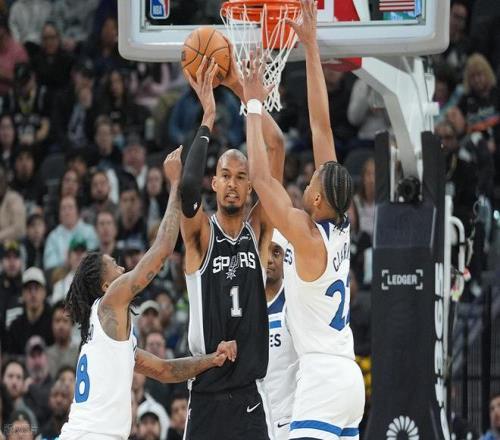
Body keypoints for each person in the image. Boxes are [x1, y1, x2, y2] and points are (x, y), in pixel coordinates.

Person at [243, 1, 365, 438]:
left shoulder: (308, 235)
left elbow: (260, 179)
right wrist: (311, 48)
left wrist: (253, 105)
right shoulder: (338, 223)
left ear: (315, 197)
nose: (310, 175)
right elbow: (321, 128)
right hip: (347, 378)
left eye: (312, 179)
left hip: (322, 379)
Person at [59, 148, 237, 440]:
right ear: (105, 286)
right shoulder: (108, 303)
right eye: (114, 266)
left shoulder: (110, 338)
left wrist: (212, 359)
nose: (122, 268)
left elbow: (166, 370)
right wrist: (175, 185)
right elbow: (162, 251)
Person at [179, 51, 285, 440]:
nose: (233, 183)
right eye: (225, 175)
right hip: (206, 395)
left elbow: (276, 147)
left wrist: (245, 92)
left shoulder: (258, 232)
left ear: (250, 186)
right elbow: (186, 189)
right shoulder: (201, 237)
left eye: (241, 177)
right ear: (215, 183)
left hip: (248, 398)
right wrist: (208, 115)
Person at [264, 230, 298, 440]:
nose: (269, 259)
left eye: (276, 252)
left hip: (288, 416)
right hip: (254, 415)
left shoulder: (294, 301)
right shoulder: (245, 304)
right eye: (265, 251)